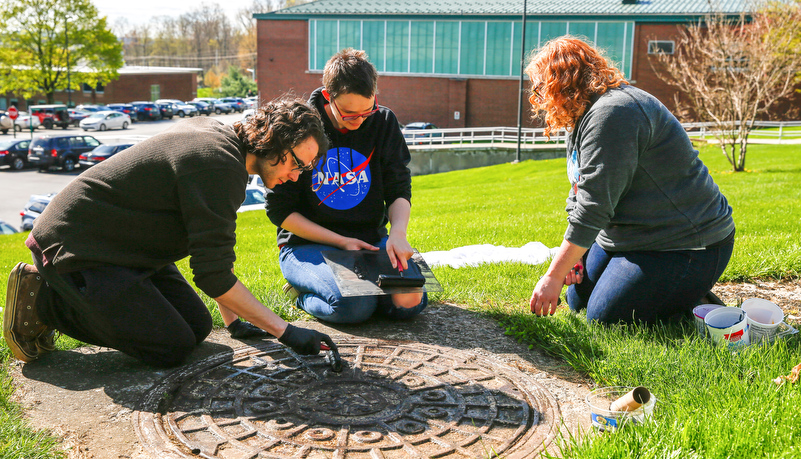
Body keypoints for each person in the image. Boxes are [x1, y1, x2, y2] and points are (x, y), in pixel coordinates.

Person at [3, 98, 337, 367]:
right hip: (76, 247)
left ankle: (77, 296)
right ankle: (44, 302)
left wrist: (234, 324)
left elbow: (216, 252)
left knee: (196, 328)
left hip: (129, 250)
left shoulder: (224, 147)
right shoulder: (218, 166)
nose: (297, 176)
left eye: (305, 168)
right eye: (297, 163)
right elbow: (214, 277)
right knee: (170, 347)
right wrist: (285, 331)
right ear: (273, 139)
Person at [525, 36, 735, 324]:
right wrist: (574, 257)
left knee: (605, 319)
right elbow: (580, 191)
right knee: (578, 300)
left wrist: (553, 275)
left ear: (559, 82)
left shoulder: (614, 114)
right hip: (633, 235)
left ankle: (693, 296)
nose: (539, 99)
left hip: (685, 244)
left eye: (540, 88)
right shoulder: (581, 115)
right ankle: (663, 292)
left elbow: (594, 207)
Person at [264, 48, 427, 324]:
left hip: (371, 242)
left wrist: (398, 233)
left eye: (368, 110)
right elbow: (279, 211)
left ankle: (370, 296)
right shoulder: (299, 126)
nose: (361, 120)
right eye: (350, 114)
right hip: (307, 246)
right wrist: (341, 241)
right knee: (353, 307)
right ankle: (301, 293)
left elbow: (399, 187)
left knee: (411, 301)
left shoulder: (384, 121)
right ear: (328, 97)